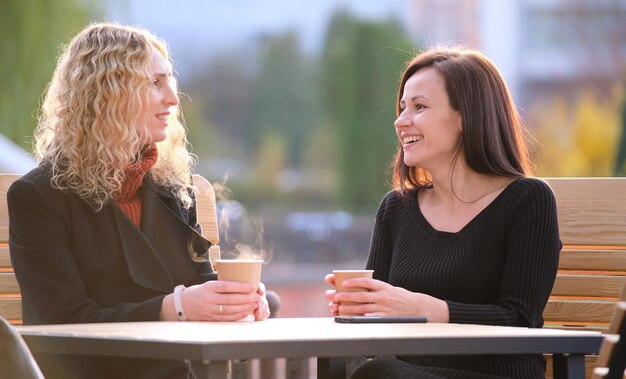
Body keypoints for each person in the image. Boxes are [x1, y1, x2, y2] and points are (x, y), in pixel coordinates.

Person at [8, 22, 270, 379]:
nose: (174, 99)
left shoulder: (173, 189)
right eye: (155, 83)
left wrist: (235, 306)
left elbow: (200, 287)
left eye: (170, 81)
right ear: (109, 94)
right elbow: (64, 322)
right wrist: (175, 307)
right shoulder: (39, 198)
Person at [325, 47, 561, 379]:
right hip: (405, 373)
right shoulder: (396, 210)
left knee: (375, 374)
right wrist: (360, 310)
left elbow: (519, 319)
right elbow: (371, 343)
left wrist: (422, 308)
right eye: (402, 107)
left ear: (467, 116)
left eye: (420, 107)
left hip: (497, 375)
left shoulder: (527, 200)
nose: (400, 120)